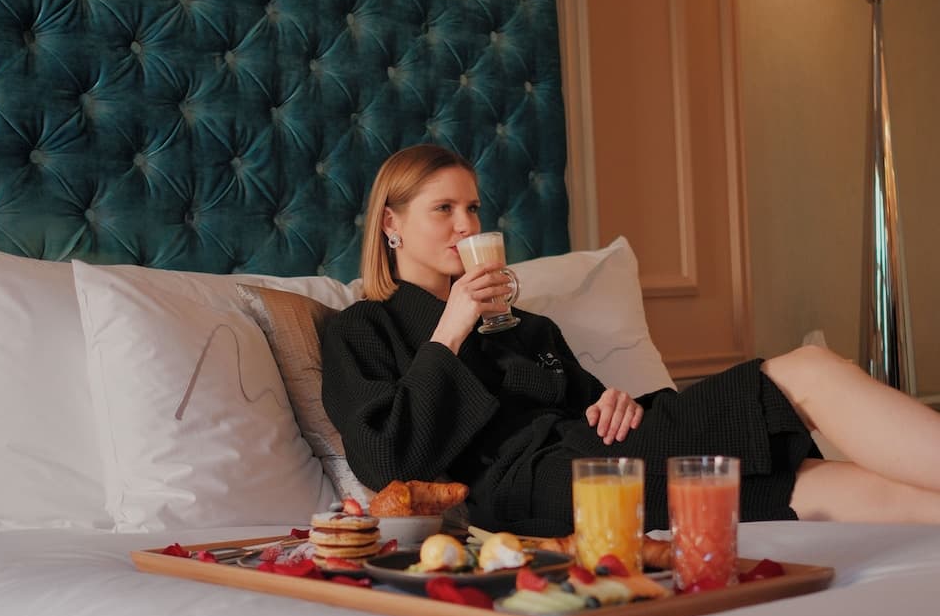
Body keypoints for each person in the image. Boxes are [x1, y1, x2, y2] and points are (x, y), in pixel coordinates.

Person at [320, 144, 940, 536]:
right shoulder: (362, 329)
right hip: (527, 492)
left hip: (598, 461)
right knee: (806, 369)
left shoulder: (529, 327)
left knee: (831, 486)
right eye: (444, 209)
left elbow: (596, 410)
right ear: (391, 223)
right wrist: (451, 327)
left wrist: (616, 402)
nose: (467, 225)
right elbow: (388, 463)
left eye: (474, 208)